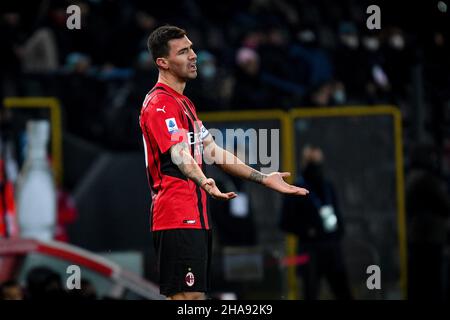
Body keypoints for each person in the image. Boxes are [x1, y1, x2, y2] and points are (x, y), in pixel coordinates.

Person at [139, 25, 309, 300]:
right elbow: (180, 154)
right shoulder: (160, 103)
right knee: (188, 299)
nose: (193, 55)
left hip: (195, 216)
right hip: (176, 215)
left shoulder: (185, 104)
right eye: (183, 51)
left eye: (192, 48)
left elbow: (214, 151)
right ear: (163, 62)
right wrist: (203, 180)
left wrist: (265, 178)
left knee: (194, 297)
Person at [280, 145, 352, 300]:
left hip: (332, 247)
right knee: (311, 293)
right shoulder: (296, 188)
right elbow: (285, 222)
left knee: (343, 291)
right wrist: (307, 231)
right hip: (310, 250)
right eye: (313, 161)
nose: (317, 166)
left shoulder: (327, 186)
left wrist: (338, 230)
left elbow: (336, 211)